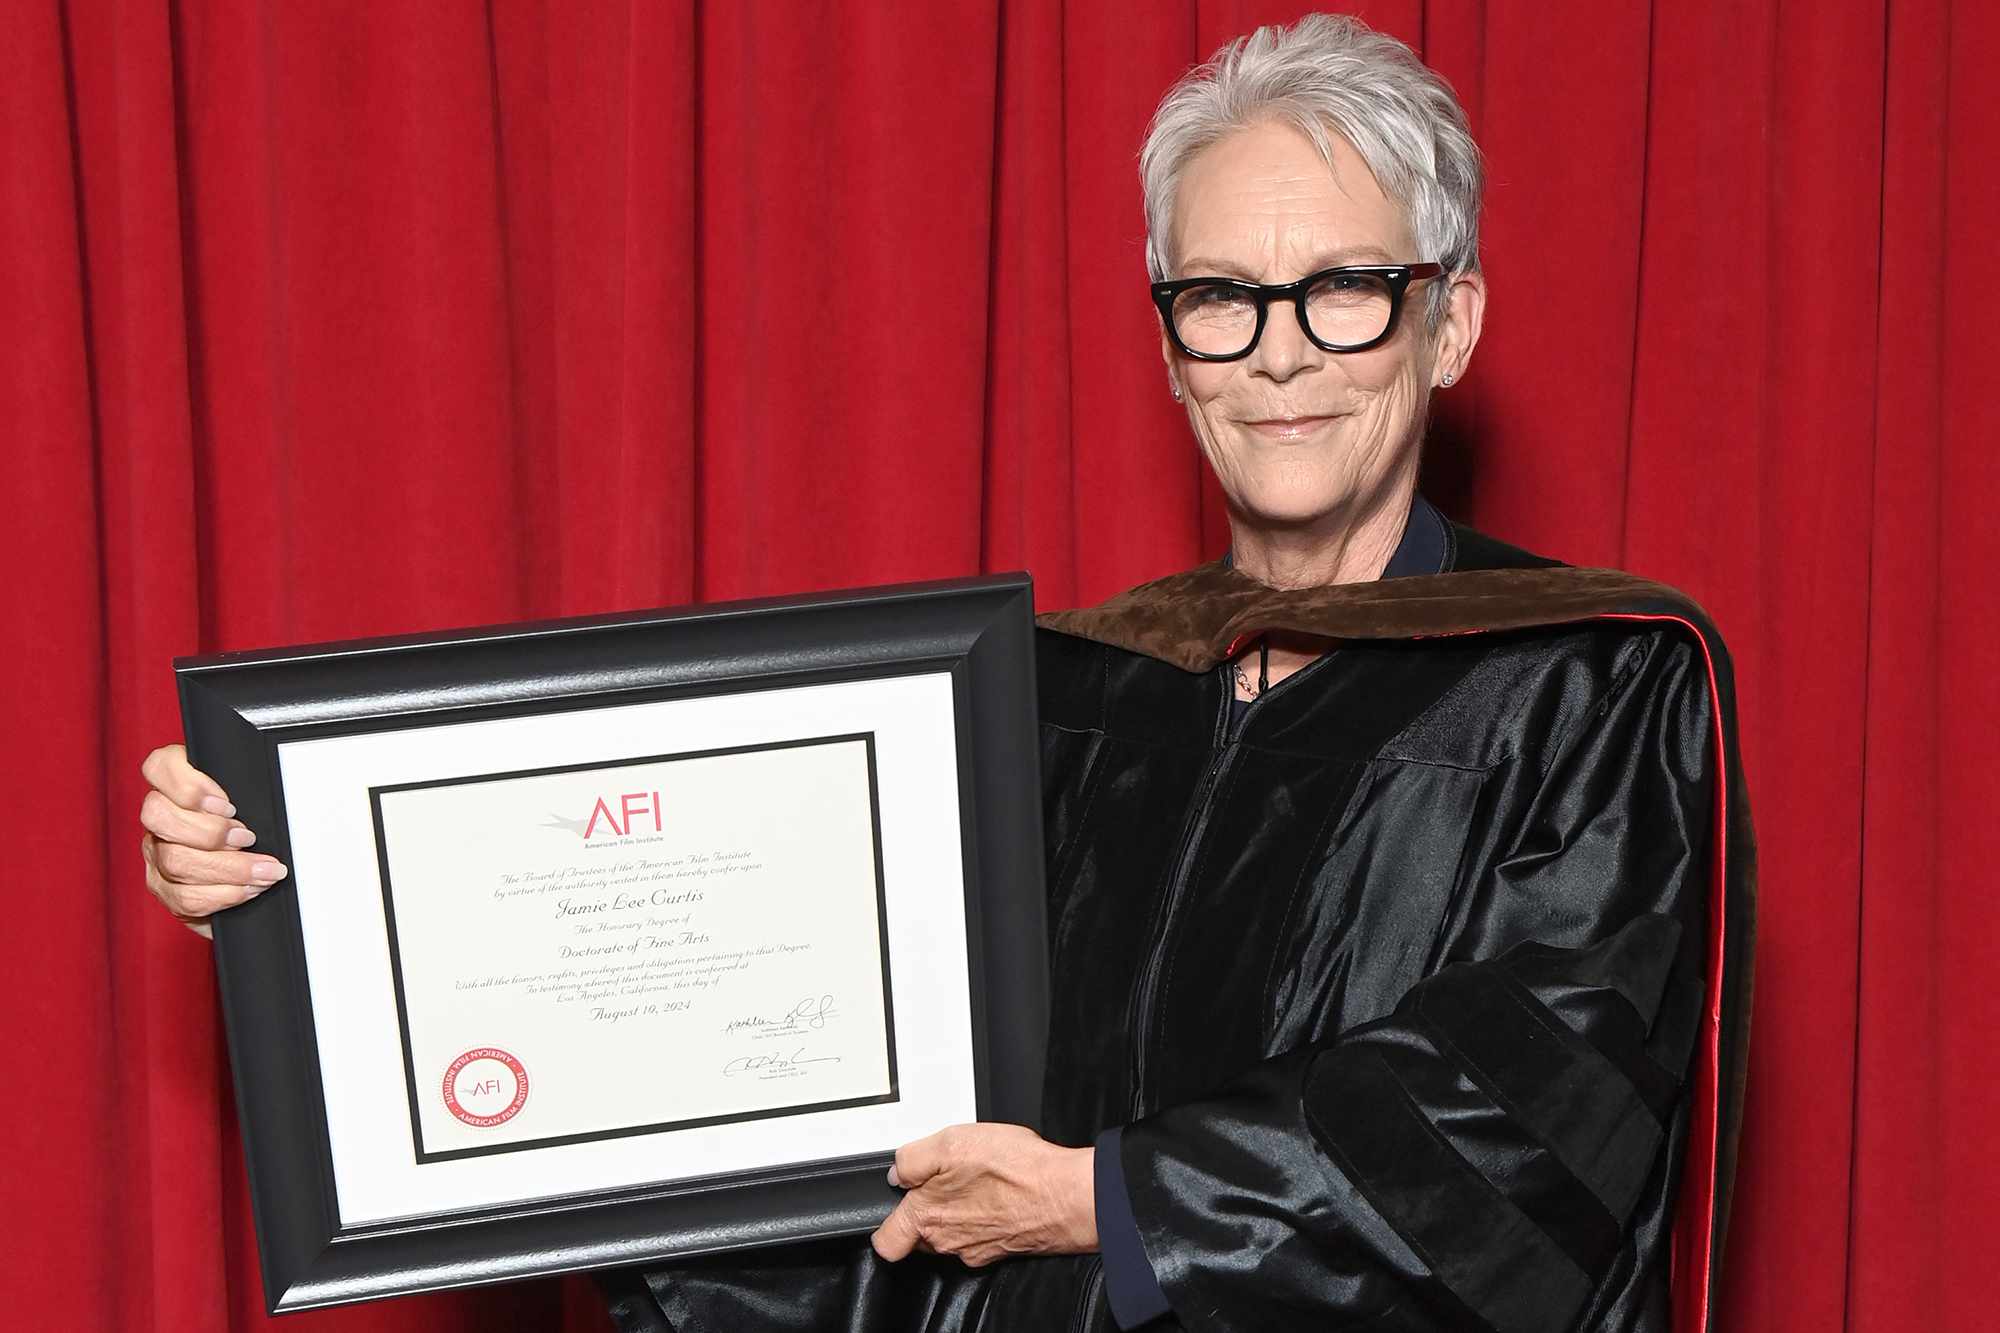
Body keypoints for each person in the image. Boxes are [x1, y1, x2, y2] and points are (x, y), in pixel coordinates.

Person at [139, 14, 1753, 1333]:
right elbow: (793, 1103)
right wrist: (309, 907)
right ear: (1166, 335)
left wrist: (1107, 1201)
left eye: (1341, 290)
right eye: (1217, 296)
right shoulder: (1063, 699)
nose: (1274, 350)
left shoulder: (1589, 686)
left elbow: (1524, 1126)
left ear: (1447, 321)